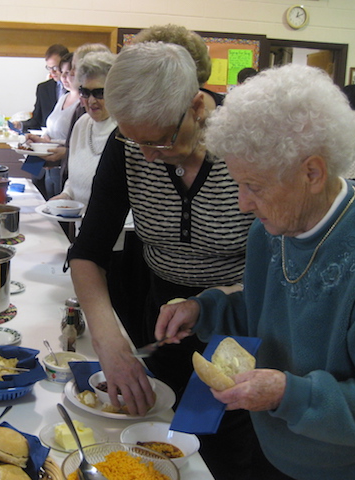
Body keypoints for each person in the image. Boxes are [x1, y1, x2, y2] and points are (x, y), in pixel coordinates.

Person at [156, 63, 355, 480]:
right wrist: (204, 311)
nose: (242, 203)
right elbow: (261, 313)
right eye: (238, 184)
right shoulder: (269, 230)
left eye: (255, 186)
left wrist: (288, 394)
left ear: (313, 173)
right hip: (270, 445)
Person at [67, 42, 257, 479]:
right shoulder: (129, 144)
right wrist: (110, 343)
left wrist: (215, 301)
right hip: (163, 318)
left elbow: (284, 265)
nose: (148, 156)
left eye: (160, 141)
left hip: (240, 322)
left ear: (196, 107)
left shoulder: (246, 140)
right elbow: (89, 251)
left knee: (221, 453)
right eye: (136, 141)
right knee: (157, 444)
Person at [51, 50, 117, 211]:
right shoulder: (82, 124)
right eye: (85, 93)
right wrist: (66, 195)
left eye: (99, 93)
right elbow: (74, 179)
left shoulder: (125, 130)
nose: (91, 101)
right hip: (80, 220)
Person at [13, 44, 68, 198]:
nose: (52, 73)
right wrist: (21, 125)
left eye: (56, 68)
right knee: (35, 190)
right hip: (42, 144)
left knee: (55, 193)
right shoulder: (44, 88)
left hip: (62, 150)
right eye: (49, 68)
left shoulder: (76, 92)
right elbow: (37, 119)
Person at [25, 52, 81, 199]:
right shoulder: (64, 97)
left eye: (69, 73)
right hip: (50, 163)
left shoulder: (83, 103)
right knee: (42, 199)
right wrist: (40, 140)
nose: (63, 77)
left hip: (65, 165)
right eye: (62, 72)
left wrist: (65, 151)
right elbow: (53, 130)